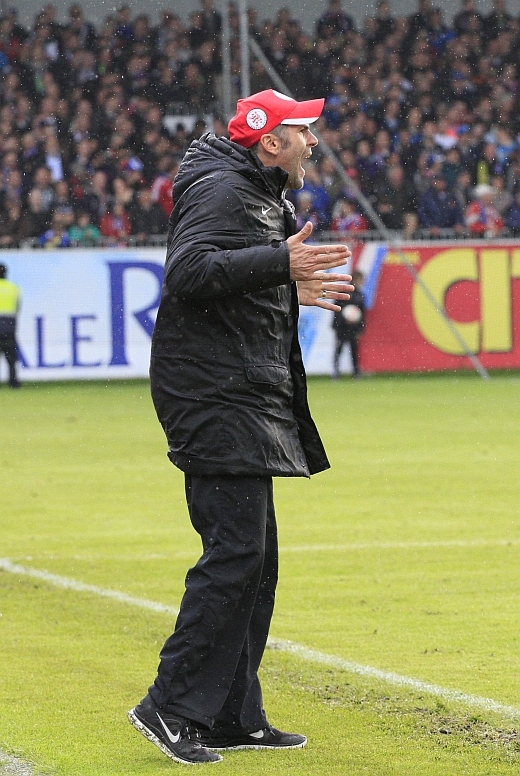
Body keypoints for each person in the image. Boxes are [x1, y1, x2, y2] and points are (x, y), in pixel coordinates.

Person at [127, 89, 353, 766]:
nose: (314, 141)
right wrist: (280, 264)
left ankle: (229, 715)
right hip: (213, 393)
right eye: (303, 130)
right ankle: (169, 706)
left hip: (238, 392)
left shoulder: (253, 189)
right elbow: (189, 272)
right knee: (235, 556)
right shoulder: (226, 190)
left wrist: (284, 283)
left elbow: (227, 278)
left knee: (254, 562)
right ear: (270, 142)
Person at [332, 269, 366, 378]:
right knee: (339, 349)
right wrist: (342, 320)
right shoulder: (343, 293)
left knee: (354, 350)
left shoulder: (360, 295)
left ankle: (356, 372)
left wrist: (360, 328)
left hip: (353, 328)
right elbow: (336, 310)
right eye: (360, 280)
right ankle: (335, 371)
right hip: (342, 327)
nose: (362, 282)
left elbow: (362, 314)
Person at [0, 264, 21, 389]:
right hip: (9, 328)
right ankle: (13, 383)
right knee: (11, 358)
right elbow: (17, 308)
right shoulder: (13, 288)